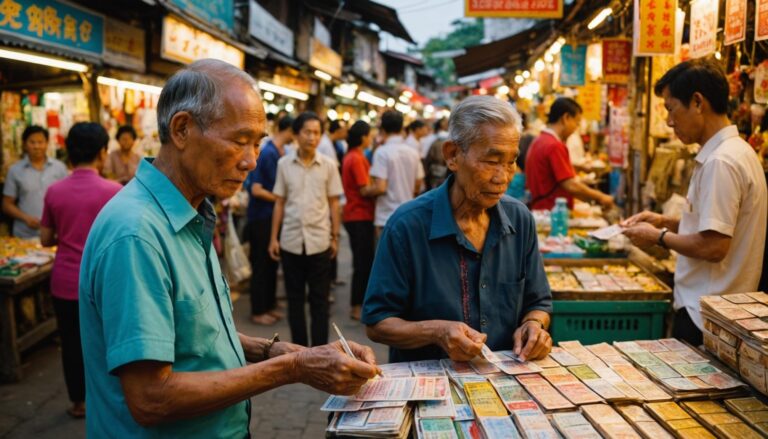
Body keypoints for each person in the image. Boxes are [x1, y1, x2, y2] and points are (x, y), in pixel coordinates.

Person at [79, 60, 379, 438]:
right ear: (183, 129)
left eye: (257, 143)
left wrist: (280, 352)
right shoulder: (137, 234)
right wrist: (295, 367)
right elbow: (151, 397)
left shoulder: (190, 212)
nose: (251, 161)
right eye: (239, 140)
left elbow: (191, 336)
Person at [362, 96, 553, 363]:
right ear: (453, 155)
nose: (502, 178)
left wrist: (534, 325)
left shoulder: (519, 219)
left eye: (510, 162)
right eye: (491, 161)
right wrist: (437, 331)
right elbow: (377, 322)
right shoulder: (406, 226)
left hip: (502, 380)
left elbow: (539, 302)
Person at [622, 58, 768, 346]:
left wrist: (658, 237)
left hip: (705, 313)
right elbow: (721, 226)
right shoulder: (735, 152)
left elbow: (714, 246)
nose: (669, 121)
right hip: (715, 310)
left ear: (698, 102)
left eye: (671, 108)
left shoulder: (721, 162)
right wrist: (666, 222)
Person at [40, 122, 123, 419]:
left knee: (71, 344)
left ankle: (79, 402)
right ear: (102, 153)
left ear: (69, 153)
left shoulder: (53, 191)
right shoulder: (115, 192)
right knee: (107, 342)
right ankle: (108, 399)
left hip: (64, 280)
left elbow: (45, 239)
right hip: (104, 282)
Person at [269, 112, 344, 347]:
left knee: (320, 301)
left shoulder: (329, 165)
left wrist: (335, 237)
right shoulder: (284, 164)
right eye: (307, 132)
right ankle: (301, 351)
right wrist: (274, 238)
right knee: (295, 299)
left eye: (317, 133)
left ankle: (321, 350)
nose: (312, 137)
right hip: (291, 240)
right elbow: (279, 202)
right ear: (296, 135)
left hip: (319, 241)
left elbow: (334, 203)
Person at [245, 115, 294, 326]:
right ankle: (258, 310)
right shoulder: (268, 153)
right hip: (261, 217)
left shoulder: (280, 152)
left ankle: (269, 304)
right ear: (291, 130)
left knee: (271, 262)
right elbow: (256, 189)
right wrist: (281, 199)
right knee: (262, 264)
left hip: (272, 216)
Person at [525, 98, 614, 210]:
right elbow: (570, 184)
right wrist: (601, 197)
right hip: (551, 210)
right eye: (576, 123)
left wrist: (579, 167)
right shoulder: (554, 145)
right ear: (566, 118)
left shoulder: (540, 140)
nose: (576, 128)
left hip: (541, 208)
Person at [2, 126, 67, 238]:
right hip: (24, 234)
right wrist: (26, 218)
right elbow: (7, 204)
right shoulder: (15, 170)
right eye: (32, 142)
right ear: (24, 144)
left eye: (40, 142)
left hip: (54, 234)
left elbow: (67, 199)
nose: (36, 146)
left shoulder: (59, 168)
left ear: (47, 143)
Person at [342, 121, 378, 321]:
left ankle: (358, 304)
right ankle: (356, 306)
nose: (371, 137)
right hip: (359, 215)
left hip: (357, 214)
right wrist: (382, 187)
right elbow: (364, 188)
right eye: (369, 134)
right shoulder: (356, 158)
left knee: (363, 262)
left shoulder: (353, 156)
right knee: (362, 263)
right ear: (363, 137)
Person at [369, 111, 425, 234]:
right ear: (401, 128)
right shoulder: (413, 152)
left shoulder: (381, 152)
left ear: (382, 129)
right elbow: (418, 182)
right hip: (408, 214)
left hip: (386, 217)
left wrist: (366, 191)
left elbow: (380, 187)